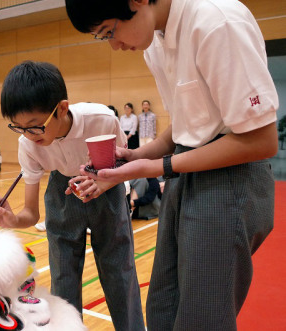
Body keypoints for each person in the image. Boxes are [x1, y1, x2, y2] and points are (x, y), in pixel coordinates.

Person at [65, 1, 278, 330]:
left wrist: (152, 168)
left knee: (202, 317)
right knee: (162, 305)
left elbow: (261, 140)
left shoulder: (217, 21)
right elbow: (185, 125)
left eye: (110, 31)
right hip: (187, 172)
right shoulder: (155, 41)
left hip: (231, 179)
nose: (115, 45)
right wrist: (138, 155)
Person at [0, 60, 144, 330]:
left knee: (119, 273)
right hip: (61, 192)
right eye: (18, 127)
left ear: (61, 108)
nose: (28, 135)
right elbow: (31, 214)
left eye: (35, 126)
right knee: (63, 280)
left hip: (106, 186)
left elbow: (127, 165)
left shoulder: (102, 119)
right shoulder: (28, 144)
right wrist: (11, 220)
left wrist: (104, 182)